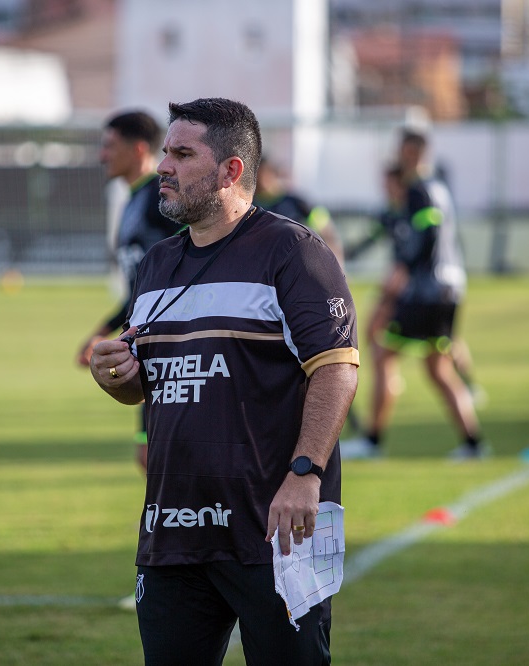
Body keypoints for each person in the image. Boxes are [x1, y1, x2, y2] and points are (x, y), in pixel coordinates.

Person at [89, 98, 359, 666]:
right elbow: (150, 385)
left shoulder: (293, 253)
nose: (165, 166)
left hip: (277, 533)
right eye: (166, 151)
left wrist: (304, 473)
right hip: (173, 529)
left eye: (183, 154)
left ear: (231, 171)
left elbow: (335, 368)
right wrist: (116, 377)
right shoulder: (157, 265)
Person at [342, 129, 485, 461]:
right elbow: (382, 237)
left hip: (427, 291)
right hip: (446, 289)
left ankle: (372, 441)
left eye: (406, 153)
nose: (402, 159)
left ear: (417, 154)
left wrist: (403, 269)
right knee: (438, 370)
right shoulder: (432, 190)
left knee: (382, 354)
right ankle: (473, 444)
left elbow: (429, 236)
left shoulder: (419, 190)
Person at [76, 110, 181, 473]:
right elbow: (141, 288)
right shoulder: (134, 201)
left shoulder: (160, 199)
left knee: (160, 457)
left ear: (138, 149)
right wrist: (102, 331)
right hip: (148, 344)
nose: (102, 155)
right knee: (151, 457)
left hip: (173, 345)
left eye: (110, 146)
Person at [253, 156, 345, 264]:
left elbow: (326, 230)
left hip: (297, 262)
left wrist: (337, 262)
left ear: (273, 174)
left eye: (263, 174)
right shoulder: (250, 205)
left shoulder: (297, 203)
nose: (259, 180)